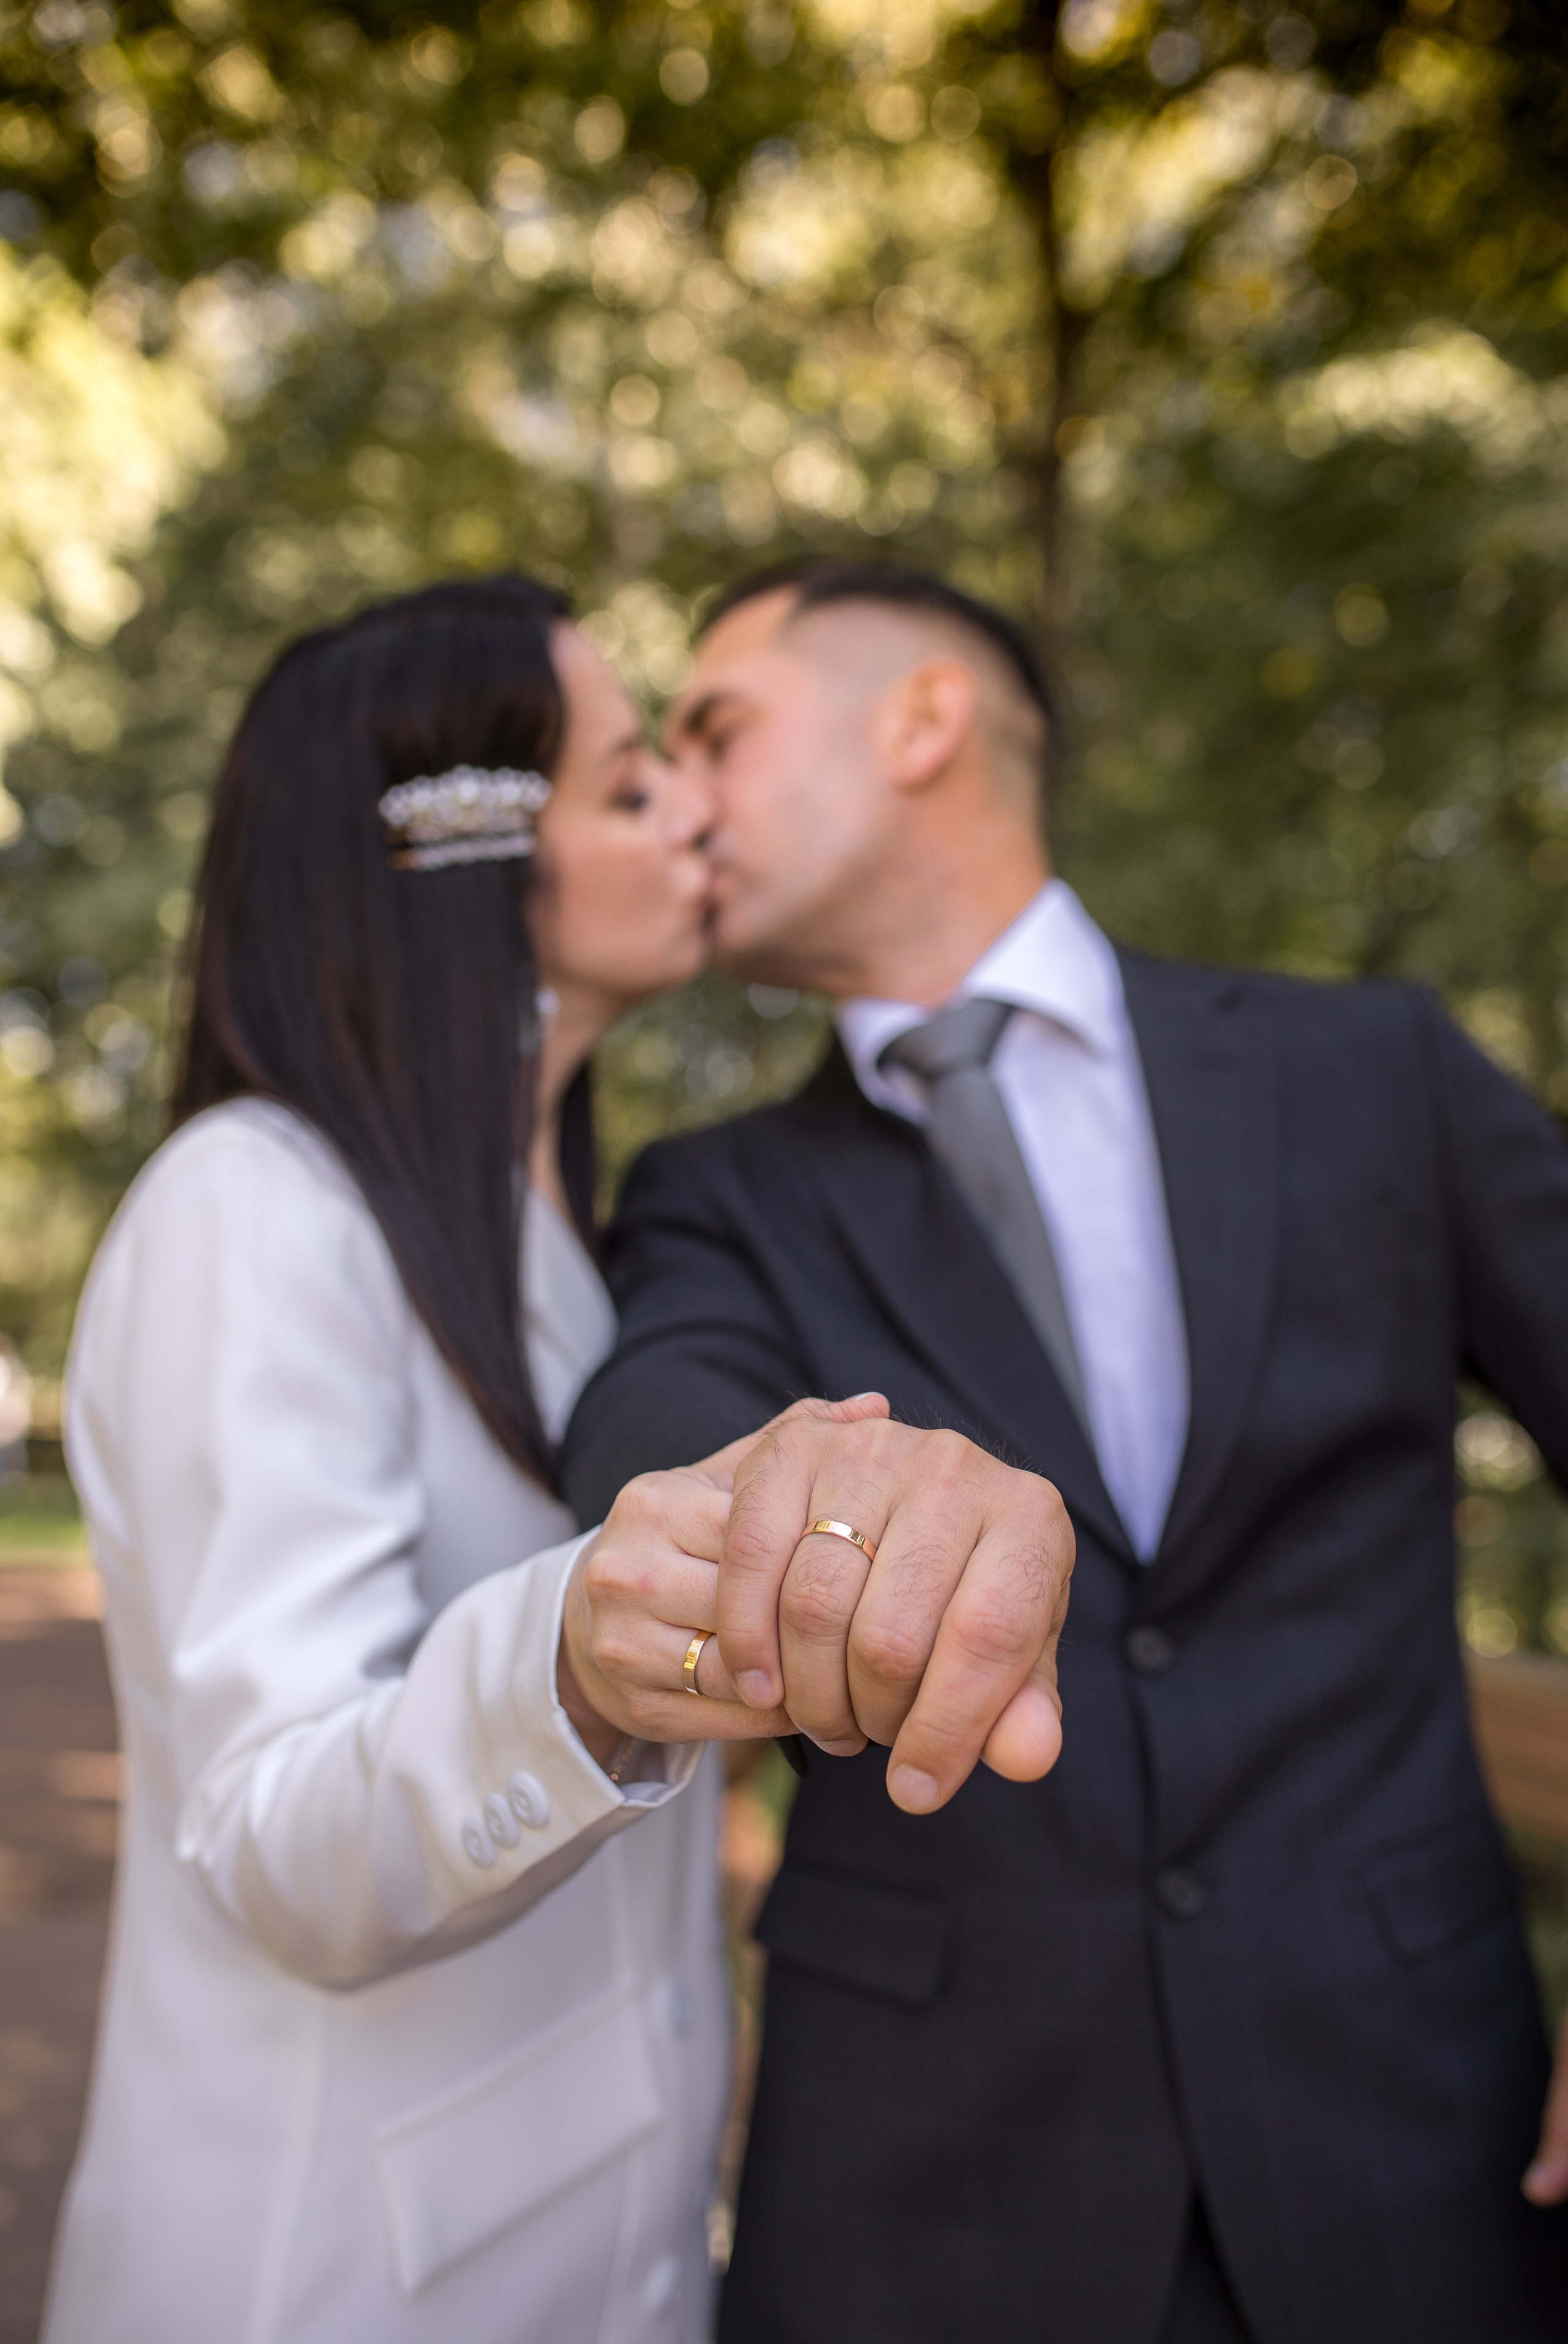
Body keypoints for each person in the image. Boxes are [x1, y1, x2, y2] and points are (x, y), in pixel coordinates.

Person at [44, 572, 1076, 2344]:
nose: (693, 804)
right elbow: (276, 1826)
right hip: (334, 2273)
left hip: (601, 2244)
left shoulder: (567, 1258)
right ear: (456, 863)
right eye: (628, 781)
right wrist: (577, 1660)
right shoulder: (256, 1207)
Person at [562, 559, 1568, 2343]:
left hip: (1424, 2143)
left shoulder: (1374, 1070)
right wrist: (794, 1497)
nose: (682, 796)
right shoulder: (715, 1189)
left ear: (925, 717)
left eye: (716, 725)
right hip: (922, 2189)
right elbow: (660, 1441)